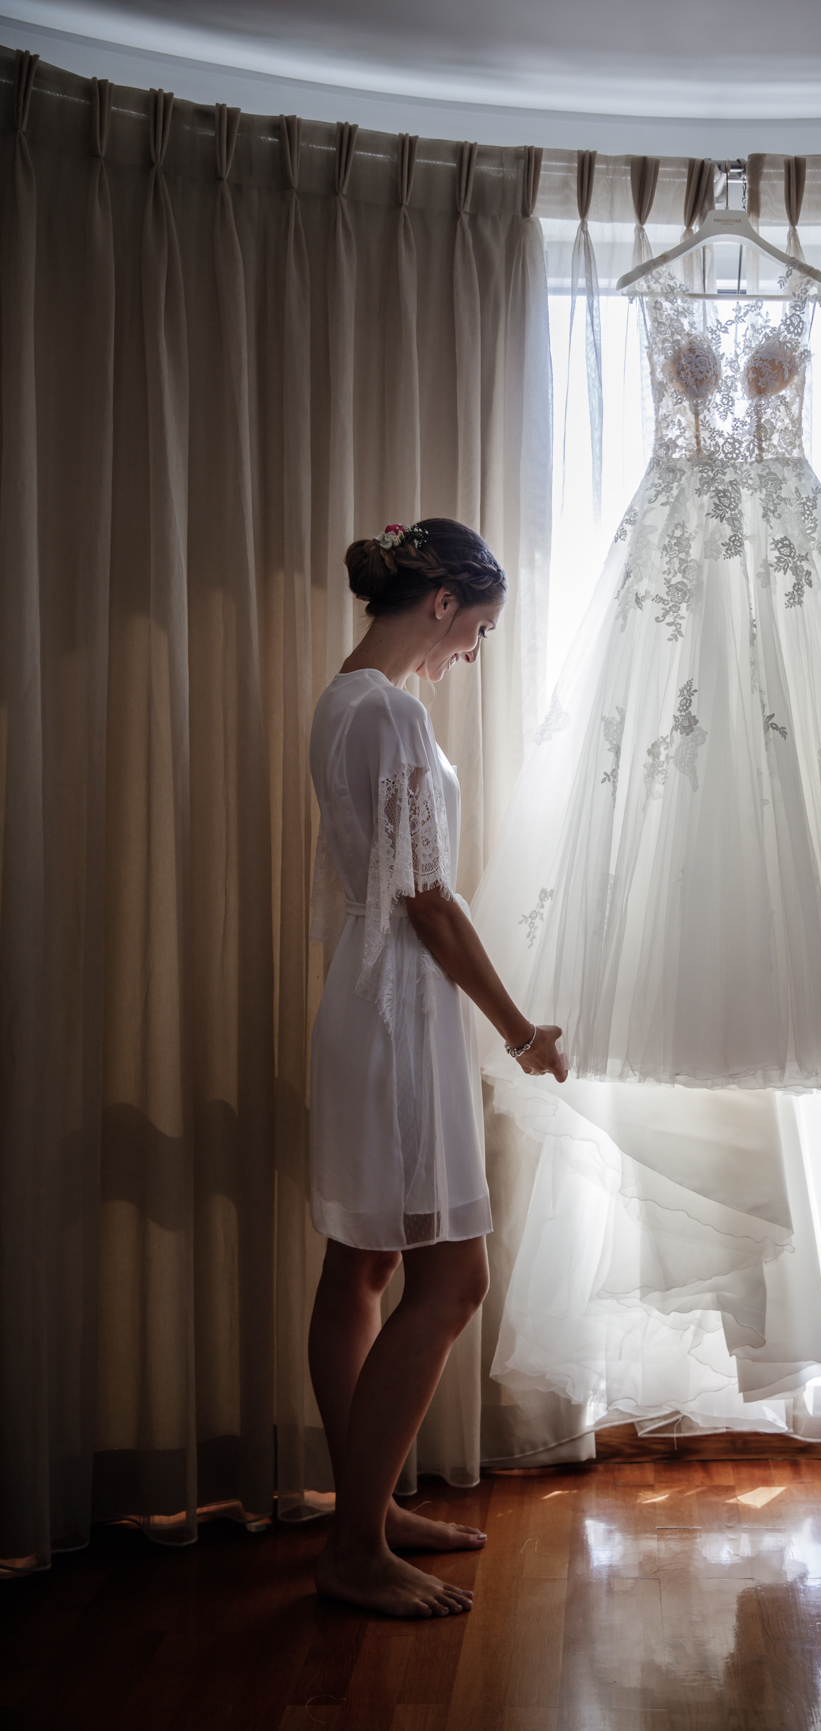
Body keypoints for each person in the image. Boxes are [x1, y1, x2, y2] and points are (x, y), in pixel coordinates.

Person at [306, 520, 567, 1618]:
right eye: (481, 631)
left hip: (362, 1004)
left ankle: (362, 1516)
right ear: (445, 603)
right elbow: (426, 898)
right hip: (401, 1012)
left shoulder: (342, 701)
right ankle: (358, 1549)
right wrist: (518, 1028)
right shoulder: (395, 712)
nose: (475, 653)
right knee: (451, 1279)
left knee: (358, 1266)